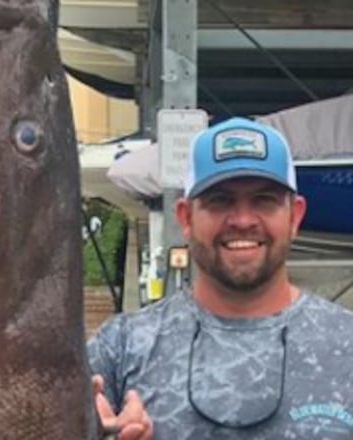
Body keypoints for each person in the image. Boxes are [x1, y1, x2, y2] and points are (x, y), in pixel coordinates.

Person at [88, 117, 353, 439]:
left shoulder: (345, 343)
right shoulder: (119, 349)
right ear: (185, 217)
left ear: (295, 215)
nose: (242, 219)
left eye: (264, 200)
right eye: (220, 200)